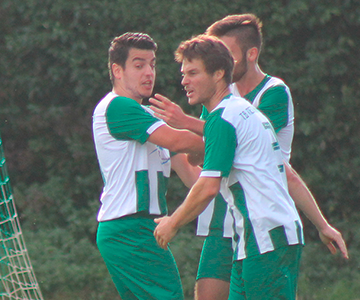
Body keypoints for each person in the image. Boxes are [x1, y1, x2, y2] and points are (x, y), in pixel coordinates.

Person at [153, 34, 348, 300]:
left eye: (193, 73)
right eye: (183, 73)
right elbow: (285, 173)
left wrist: (172, 223)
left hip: (267, 239)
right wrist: (322, 225)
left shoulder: (224, 119)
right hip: (255, 239)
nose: (184, 81)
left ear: (219, 73)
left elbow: (208, 186)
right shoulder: (240, 112)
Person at [92, 32, 204, 300]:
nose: (148, 73)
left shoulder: (151, 117)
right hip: (129, 229)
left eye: (152, 64)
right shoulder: (118, 107)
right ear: (117, 71)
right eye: (139, 65)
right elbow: (183, 140)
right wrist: (232, 135)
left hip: (139, 230)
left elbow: (191, 174)